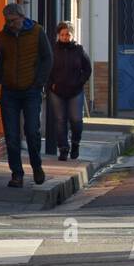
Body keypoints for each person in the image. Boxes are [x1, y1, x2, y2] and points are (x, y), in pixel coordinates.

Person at [0, 3, 52, 187]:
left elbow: (47, 57)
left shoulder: (37, 32)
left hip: (31, 90)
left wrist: (39, 82)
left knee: (32, 131)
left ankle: (37, 166)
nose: (9, 24)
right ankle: (17, 174)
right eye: (7, 21)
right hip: (9, 91)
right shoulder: (3, 37)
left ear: (22, 17)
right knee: (11, 135)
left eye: (12, 20)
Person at [48, 21, 92, 161]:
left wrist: (80, 82)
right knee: (60, 120)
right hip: (57, 91)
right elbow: (46, 68)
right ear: (58, 35)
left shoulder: (79, 50)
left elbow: (87, 69)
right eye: (62, 34)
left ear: (72, 35)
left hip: (75, 91)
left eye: (68, 34)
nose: (65, 37)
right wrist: (50, 84)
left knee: (76, 120)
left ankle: (75, 144)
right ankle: (63, 149)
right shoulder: (53, 50)